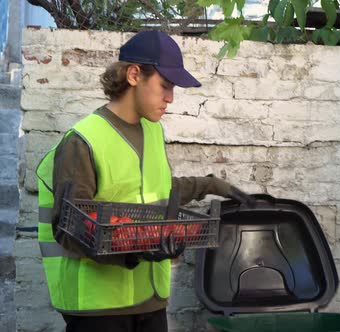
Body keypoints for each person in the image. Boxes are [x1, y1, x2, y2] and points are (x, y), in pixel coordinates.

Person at [36, 30, 252, 332]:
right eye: (165, 85)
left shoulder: (152, 131)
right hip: (98, 310)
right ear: (135, 75)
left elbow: (157, 189)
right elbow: (70, 228)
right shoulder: (83, 140)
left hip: (150, 303)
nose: (171, 98)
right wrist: (136, 250)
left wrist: (215, 186)